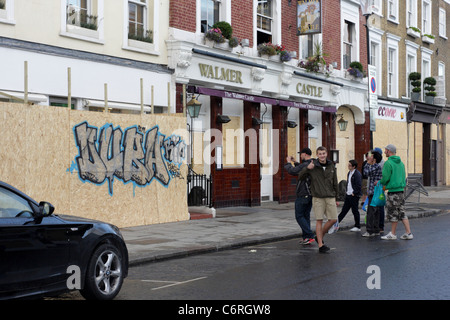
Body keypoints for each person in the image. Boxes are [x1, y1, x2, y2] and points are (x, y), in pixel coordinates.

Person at [299, 146, 339, 253]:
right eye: (320, 154)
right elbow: (300, 177)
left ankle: (319, 236)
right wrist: (307, 168)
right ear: (317, 155)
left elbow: (335, 181)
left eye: (323, 153)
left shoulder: (331, 165)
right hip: (318, 197)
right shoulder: (313, 165)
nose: (322, 155)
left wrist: (337, 197)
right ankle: (321, 245)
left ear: (326, 154)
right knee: (319, 220)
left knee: (333, 219)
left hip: (330, 196)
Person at [380, 144, 413, 240]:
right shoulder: (401, 163)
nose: (384, 152)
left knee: (393, 212)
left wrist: (380, 182)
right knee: (402, 212)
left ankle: (393, 234)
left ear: (389, 151)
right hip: (401, 191)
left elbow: (385, 178)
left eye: (385, 150)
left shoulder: (388, 163)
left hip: (393, 192)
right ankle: (408, 232)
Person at [284, 148, 315, 245]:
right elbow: (301, 168)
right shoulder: (311, 163)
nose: (300, 155)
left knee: (299, 216)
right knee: (306, 216)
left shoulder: (306, 164)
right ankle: (306, 237)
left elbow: (292, 171)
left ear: (304, 154)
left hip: (303, 193)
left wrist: (289, 162)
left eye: (301, 154)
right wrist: (295, 162)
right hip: (310, 194)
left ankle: (310, 235)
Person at [336, 160, 362, 232]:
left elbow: (359, 185)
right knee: (344, 210)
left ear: (354, 166)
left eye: (350, 165)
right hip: (348, 194)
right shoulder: (349, 173)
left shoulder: (357, 174)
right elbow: (349, 183)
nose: (348, 166)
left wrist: (354, 192)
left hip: (353, 195)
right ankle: (335, 224)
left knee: (355, 211)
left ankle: (357, 226)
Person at [362, 150, 383, 237]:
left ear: (374, 159)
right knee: (376, 211)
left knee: (371, 212)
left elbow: (366, 173)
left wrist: (367, 163)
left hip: (374, 192)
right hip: (375, 191)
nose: (368, 157)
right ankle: (376, 229)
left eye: (370, 156)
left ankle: (370, 230)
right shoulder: (376, 166)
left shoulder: (375, 166)